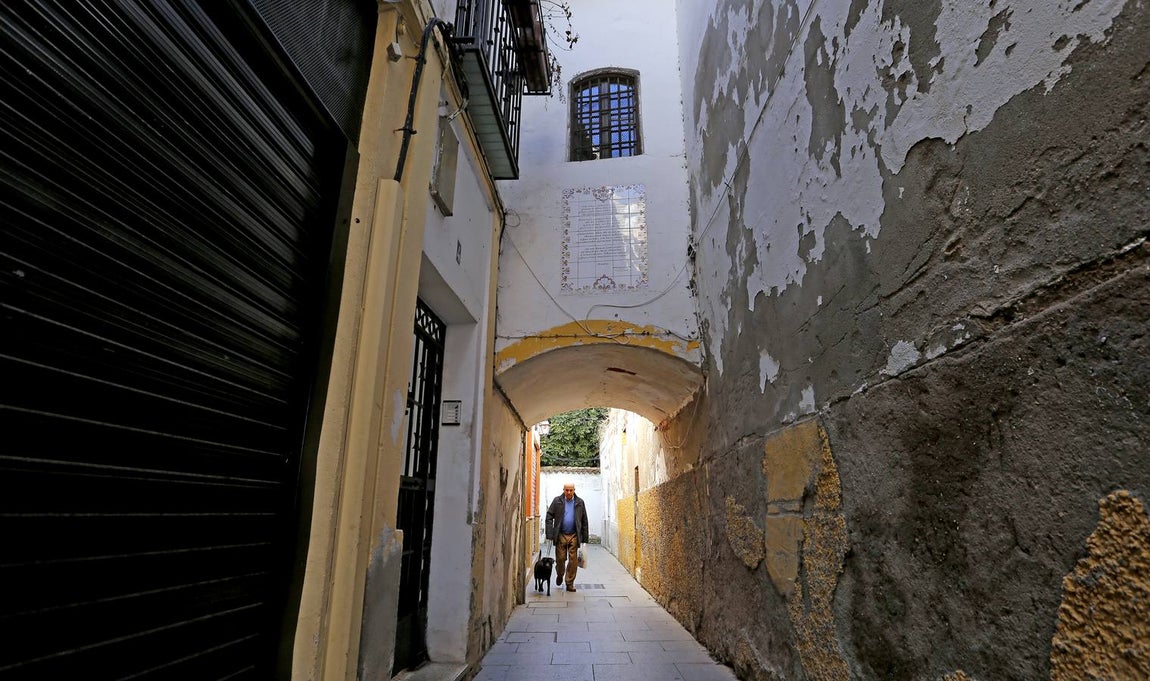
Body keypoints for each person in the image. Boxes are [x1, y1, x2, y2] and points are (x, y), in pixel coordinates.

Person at [545, 483, 589, 592]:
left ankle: (569, 583)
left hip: (574, 535)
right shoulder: (557, 501)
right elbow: (549, 516)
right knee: (560, 559)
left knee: (573, 560)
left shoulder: (580, 502)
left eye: (571, 490)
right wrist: (550, 534)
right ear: (563, 490)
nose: (569, 492)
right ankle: (560, 574)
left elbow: (584, 521)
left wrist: (584, 539)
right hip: (561, 535)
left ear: (574, 490)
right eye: (567, 490)